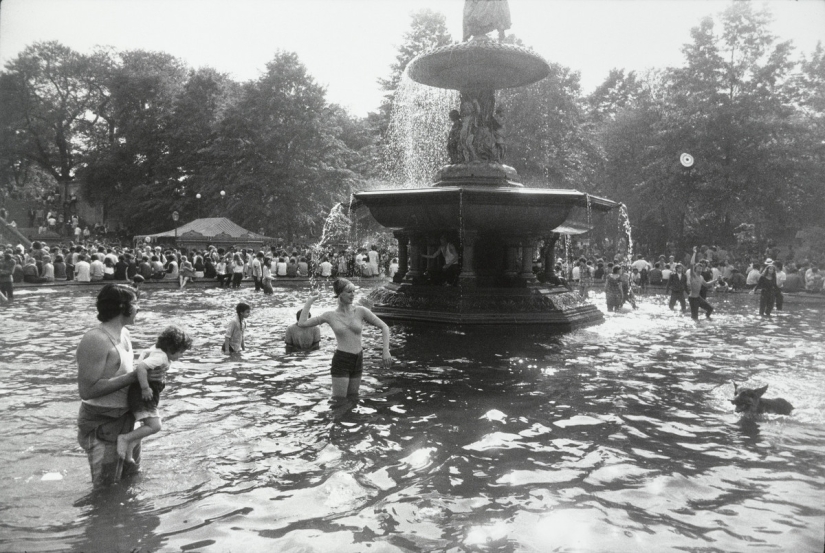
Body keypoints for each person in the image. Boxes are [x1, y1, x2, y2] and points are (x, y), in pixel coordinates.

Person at [76, 284, 159, 487]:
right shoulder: (96, 339)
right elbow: (87, 390)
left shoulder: (124, 333)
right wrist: (133, 377)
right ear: (123, 307)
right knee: (106, 489)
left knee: (130, 480)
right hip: (103, 423)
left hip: (126, 420)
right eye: (136, 303)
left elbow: (123, 375)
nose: (139, 308)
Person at [297, 278, 392, 399]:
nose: (353, 294)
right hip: (342, 360)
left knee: (354, 398)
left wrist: (385, 350)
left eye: (353, 291)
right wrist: (310, 301)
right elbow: (302, 323)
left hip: (358, 359)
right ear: (340, 294)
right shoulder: (330, 315)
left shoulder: (361, 311)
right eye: (349, 292)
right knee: (339, 400)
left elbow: (384, 327)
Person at [116, 326, 192, 462]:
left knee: (148, 425)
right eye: (181, 352)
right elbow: (141, 367)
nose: (181, 355)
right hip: (142, 395)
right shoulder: (160, 357)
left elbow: (144, 358)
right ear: (171, 349)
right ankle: (125, 438)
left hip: (147, 393)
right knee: (155, 425)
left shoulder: (157, 351)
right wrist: (145, 388)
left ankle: (130, 448)